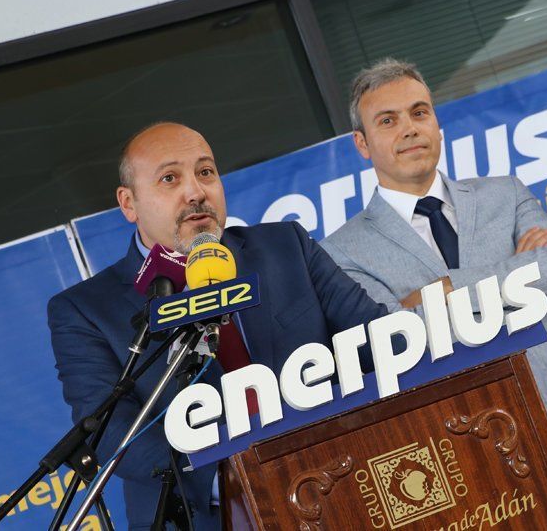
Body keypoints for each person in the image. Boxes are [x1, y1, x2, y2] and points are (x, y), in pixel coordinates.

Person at [320, 58, 547, 530]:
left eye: (419, 112)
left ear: (437, 123)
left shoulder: (503, 194)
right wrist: (516, 272)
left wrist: (446, 290)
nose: (409, 129)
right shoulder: (341, 251)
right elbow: (398, 335)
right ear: (362, 144)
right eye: (388, 121)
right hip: (461, 454)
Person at [48, 122, 395, 530]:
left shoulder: (287, 246)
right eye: (169, 178)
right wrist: (245, 479)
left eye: (206, 172)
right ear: (129, 203)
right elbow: (115, 437)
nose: (195, 191)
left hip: (340, 481)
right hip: (208, 514)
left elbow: (379, 343)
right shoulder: (85, 309)